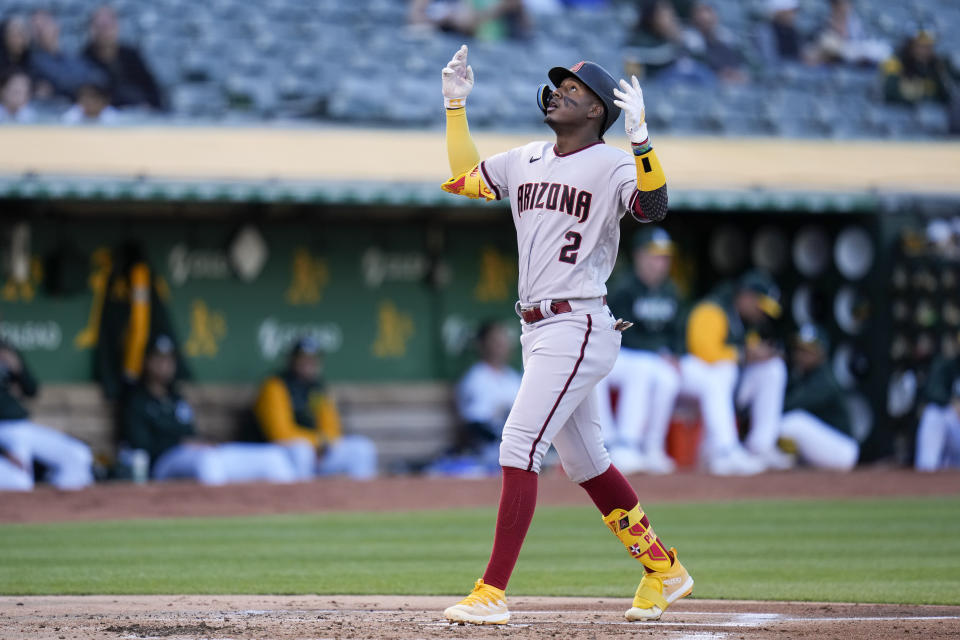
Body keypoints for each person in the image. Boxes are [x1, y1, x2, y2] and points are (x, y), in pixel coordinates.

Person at [439, 45, 691, 625]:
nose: (557, 93)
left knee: (519, 443)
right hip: (537, 326)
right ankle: (663, 569)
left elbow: (653, 208)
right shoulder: (526, 158)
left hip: (576, 321)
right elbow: (461, 179)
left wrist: (643, 138)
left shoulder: (613, 163)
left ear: (597, 111)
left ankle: (491, 591)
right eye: (556, 86)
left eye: (572, 90)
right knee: (585, 463)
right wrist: (456, 105)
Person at [122, 335, 298, 485]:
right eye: (158, 358)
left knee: (273, 456)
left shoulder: (176, 398)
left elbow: (191, 432)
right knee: (208, 461)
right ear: (147, 362)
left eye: (169, 359)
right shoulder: (137, 400)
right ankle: (218, 513)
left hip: (195, 453)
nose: (164, 365)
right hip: (163, 463)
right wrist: (181, 443)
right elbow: (142, 446)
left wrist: (200, 442)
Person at [680, 270, 788, 475]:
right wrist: (744, 354)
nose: (762, 312)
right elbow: (704, 352)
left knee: (773, 369)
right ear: (747, 297)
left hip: (725, 383)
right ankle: (724, 450)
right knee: (720, 371)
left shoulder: (748, 321)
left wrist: (759, 354)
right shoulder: (713, 308)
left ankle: (761, 446)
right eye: (760, 305)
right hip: (688, 374)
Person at [596, 227, 684, 474]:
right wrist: (659, 351)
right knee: (642, 369)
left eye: (665, 257)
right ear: (640, 256)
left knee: (669, 379)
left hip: (653, 357)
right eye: (655, 256)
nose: (661, 263)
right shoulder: (624, 288)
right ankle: (621, 443)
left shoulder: (671, 290)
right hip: (620, 355)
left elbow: (677, 331)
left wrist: (674, 354)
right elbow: (621, 331)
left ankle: (652, 447)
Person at [252, 337, 377, 480]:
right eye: (303, 358)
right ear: (292, 360)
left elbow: (330, 427)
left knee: (361, 448)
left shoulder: (316, 388)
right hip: (280, 454)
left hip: (316, 451)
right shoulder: (276, 385)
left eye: (312, 359)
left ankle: (361, 499)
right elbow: (280, 433)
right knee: (302, 451)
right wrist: (316, 443)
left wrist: (324, 445)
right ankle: (303, 500)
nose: (308, 363)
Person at [0, 336, 94, 490]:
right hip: (3, 433)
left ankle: (59, 510)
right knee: (20, 481)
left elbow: (32, 390)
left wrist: (18, 368)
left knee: (79, 456)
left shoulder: (5, 347)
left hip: (22, 425)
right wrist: (4, 453)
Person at [779, 324, 859, 470]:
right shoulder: (800, 374)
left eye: (807, 350)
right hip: (825, 443)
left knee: (791, 423)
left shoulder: (824, 379)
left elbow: (789, 405)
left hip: (841, 448)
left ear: (821, 352)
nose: (800, 355)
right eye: (798, 349)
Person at [456, 321, 522, 460]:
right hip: (486, 453)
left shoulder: (514, 378)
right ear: (482, 345)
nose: (501, 346)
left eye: (504, 340)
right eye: (495, 341)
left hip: (518, 450)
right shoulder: (475, 379)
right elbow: (473, 425)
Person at [81, 5, 165, 110]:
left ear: (116, 27)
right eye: (99, 27)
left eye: (107, 27)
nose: (103, 32)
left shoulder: (131, 55)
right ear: (91, 29)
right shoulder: (84, 58)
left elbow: (151, 88)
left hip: (138, 113)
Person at [28, 9, 98, 101]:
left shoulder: (73, 55)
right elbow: (64, 82)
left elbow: (97, 77)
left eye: (44, 25)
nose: (41, 31)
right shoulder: (33, 60)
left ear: (57, 26)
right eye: (36, 28)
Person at [882, 30, 955, 106]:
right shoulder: (895, 62)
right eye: (921, 46)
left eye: (929, 47)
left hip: (930, 110)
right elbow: (890, 92)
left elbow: (945, 95)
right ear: (911, 46)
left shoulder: (937, 65)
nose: (925, 51)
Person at [808, 0, 890, 66]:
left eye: (845, 4)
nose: (843, 8)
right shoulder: (822, 26)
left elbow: (880, 51)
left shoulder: (857, 25)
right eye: (838, 5)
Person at [682, 1, 747, 84]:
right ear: (694, 18)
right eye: (700, 12)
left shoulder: (726, 39)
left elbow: (741, 64)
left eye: (709, 11)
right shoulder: (689, 42)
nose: (705, 17)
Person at [915, 354, 960, 471]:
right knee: (933, 414)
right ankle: (927, 475)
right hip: (951, 417)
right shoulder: (948, 364)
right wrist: (951, 401)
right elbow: (935, 392)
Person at [755, 0, 806, 65]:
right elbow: (770, 61)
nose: (793, 16)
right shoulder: (765, 31)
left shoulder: (793, 30)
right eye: (790, 12)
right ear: (780, 13)